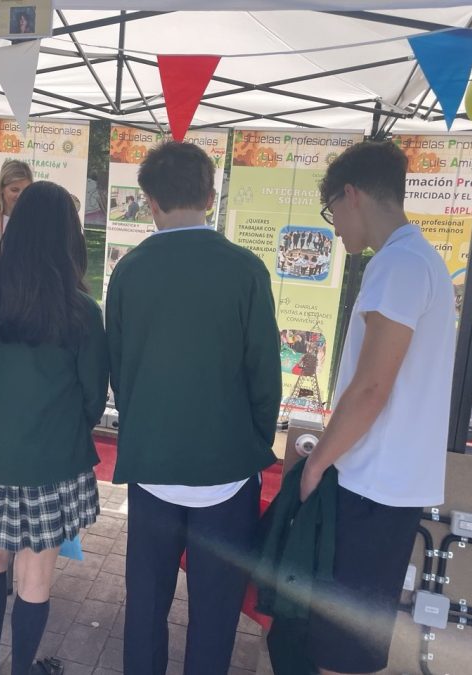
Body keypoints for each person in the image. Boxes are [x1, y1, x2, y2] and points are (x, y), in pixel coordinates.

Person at [105, 141, 281, 675]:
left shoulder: (129, 270)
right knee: (216, 613)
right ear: (210, 195)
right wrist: (251, 442)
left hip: (152, 464)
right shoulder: (246, 270)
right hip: (227, 468)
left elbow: (120, 369)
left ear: (149, 200)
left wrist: (144, 426)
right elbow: (265, 377)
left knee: (145, 604)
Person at [292, 140, 455, 675]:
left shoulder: (398, 264)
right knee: (349, 642)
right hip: (388, 482)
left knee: (339, 650)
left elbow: (371, 388)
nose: (335, 227)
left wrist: (316, 463)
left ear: (352, 195)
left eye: (331, 211)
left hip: (373, 485)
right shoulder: (417, 258)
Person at [0, 181, 108, 675]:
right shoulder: (81, 311)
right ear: (69, 236)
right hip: (52, 460)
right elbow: (93, 397)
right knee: (36, 573)